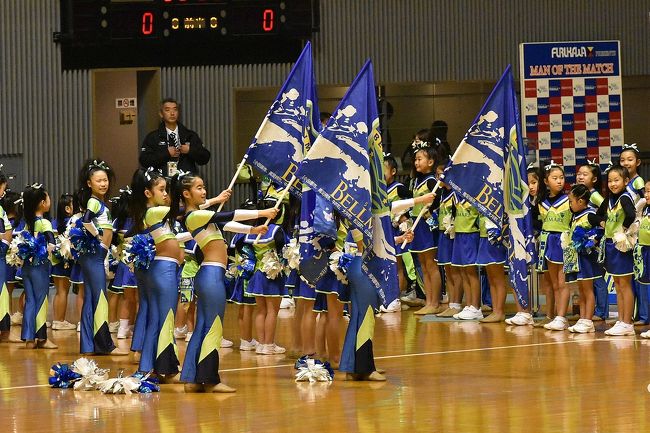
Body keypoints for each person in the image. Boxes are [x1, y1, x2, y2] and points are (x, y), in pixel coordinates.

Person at [170, 171, 276, 392]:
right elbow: (230, 215)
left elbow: (225, 226)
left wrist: (253, 229)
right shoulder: (193, 216)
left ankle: (193, 378)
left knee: (203, 327)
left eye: (203, 187)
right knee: (212, 327)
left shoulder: (200, 215)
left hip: (211, 274)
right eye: (199, 188)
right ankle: (209, 380)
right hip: (211, 274)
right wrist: (263, 212)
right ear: (186, 194)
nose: (204, 191)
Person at [77, 159, 128, 355]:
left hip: (98, 255)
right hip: (95, 254)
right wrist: (97, 236)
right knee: (99, 297)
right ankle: (105, 345)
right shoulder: (93, 201)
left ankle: (90, 345)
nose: (103, 184)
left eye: (105, 180)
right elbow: (86, 220)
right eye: (98, 181)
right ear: (89, 183)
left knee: (92, 296)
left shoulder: (98, 202)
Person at [597, 164, 637, 336]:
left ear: (626, 181)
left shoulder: (625, 198)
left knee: (624, 284)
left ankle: (627, 322)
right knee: (618, 284)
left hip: (622, 246)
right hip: (610, 245)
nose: (613, 184)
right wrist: (601, 222)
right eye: (610, 181)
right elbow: (597, 215)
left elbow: (631, 214)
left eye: (617, 180)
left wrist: (624, 230)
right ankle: (621, 320)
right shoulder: (609, 199)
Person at [19, 184, 57, 349]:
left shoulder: (27, 223)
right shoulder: (44, 222)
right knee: (41, 299)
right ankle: (42, 338)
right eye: (47, 198)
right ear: (42, 203)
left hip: (26, 266)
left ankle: (28, 339)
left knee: (30, 300)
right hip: (40, 266)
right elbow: (52, 244)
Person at [565, 185, 604, 333]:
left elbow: (603, 227)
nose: (570, 204)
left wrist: (593, 240)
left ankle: (588, 320)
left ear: (581, 201)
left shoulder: (589, 215)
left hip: (588, 257)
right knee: (581, 289)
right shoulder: (575, 215)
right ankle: (582, 318)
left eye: (571, 201)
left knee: (588, 290)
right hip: (577, 257)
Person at [139, 98, 211, 177]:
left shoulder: (189, 135)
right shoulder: (153, 137)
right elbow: (144, 161)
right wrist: (166, 153)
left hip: (187, 181)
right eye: (167, 110)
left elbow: (205, 158)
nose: (172, 113)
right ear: (161, 114)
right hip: (162, 182)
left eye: (175, 109)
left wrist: (190, 150)